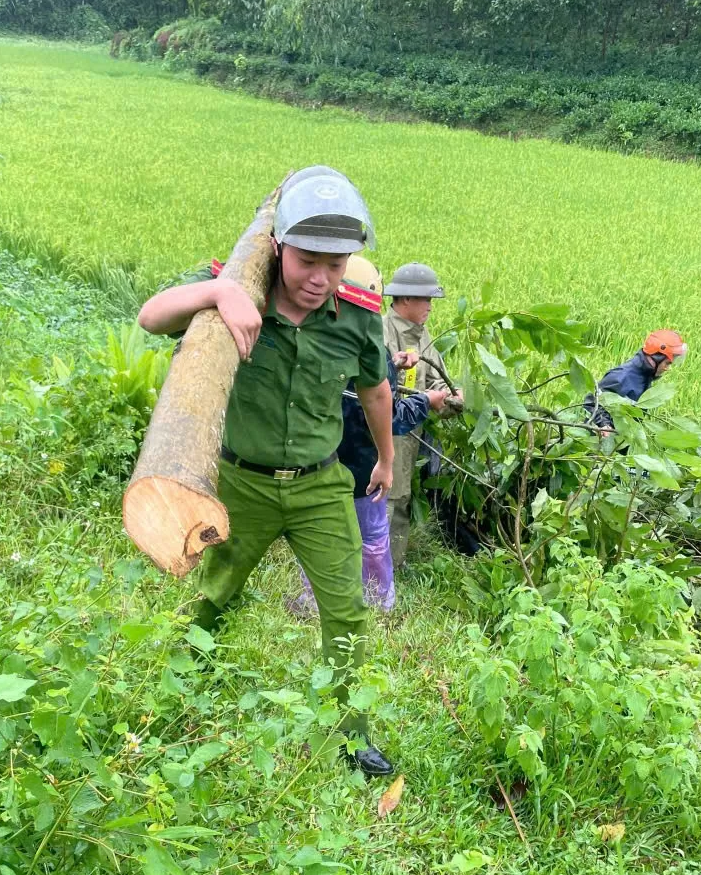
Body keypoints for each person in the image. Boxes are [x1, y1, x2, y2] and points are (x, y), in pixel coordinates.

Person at [137, 166, 396, 777]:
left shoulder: (356, 316)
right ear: (277, 247)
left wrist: (385, 457)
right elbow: (151, 316)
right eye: (308, 260)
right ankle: (180, 698)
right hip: (241, 485)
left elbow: (377, 388)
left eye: (336, 265)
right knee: (214, 594)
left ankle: (351, 732)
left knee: (346, 609)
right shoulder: (234, 300)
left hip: (321, 487)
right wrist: (218, 293)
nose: (320, 278)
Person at [289, 255, 450, 616]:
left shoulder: (315, 335)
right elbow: (383, 410)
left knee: (324, 532)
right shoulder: (370, 339)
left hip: (324, 458)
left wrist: (393, 368)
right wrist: (426, 400)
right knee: (369, 538)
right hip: (363, 459)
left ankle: (317, 600)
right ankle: (373, 603)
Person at [382, 262, 460, 568]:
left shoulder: (422, 335)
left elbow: (435, 379)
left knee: (400, 498)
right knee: (386, 499)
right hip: (386, 432)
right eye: (425, 299)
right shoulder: (383, 334)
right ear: (404, 300)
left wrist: (452, 397)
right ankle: (375, 577)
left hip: (411, 433)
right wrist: (427, 399)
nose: (430, 306)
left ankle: (392, 569)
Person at [585, 329, 688, 435]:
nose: (667, 368)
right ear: (657, 357)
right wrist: (604, 425)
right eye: (667, 363)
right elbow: (592, 401)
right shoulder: (622, 376)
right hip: (598, 444)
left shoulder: (644, 378)